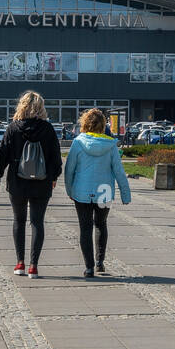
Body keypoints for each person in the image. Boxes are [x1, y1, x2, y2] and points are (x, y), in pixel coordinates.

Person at [0, 92, 62, 278]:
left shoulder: (13, 128)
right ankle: (34, 266)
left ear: (21, 106)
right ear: (41, 107)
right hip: (42, 182)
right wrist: (54, 176)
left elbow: (2, 154)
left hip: (17, 181)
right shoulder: (47, 129)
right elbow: (56, 156)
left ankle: (20, 263)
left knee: (19, 221)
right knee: (37, 222)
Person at [64, 108, 132, 278]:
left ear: (84, 123)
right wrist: (125, 194)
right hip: (104, 192)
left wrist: (69, 189)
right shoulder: (110, 145)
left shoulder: (78, 143)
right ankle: (100, 262)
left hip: (81, 191)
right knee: (101, 224)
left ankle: (89, 267)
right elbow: (119, 171)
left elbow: (69, 170)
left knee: (85, 228)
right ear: (103, 125)